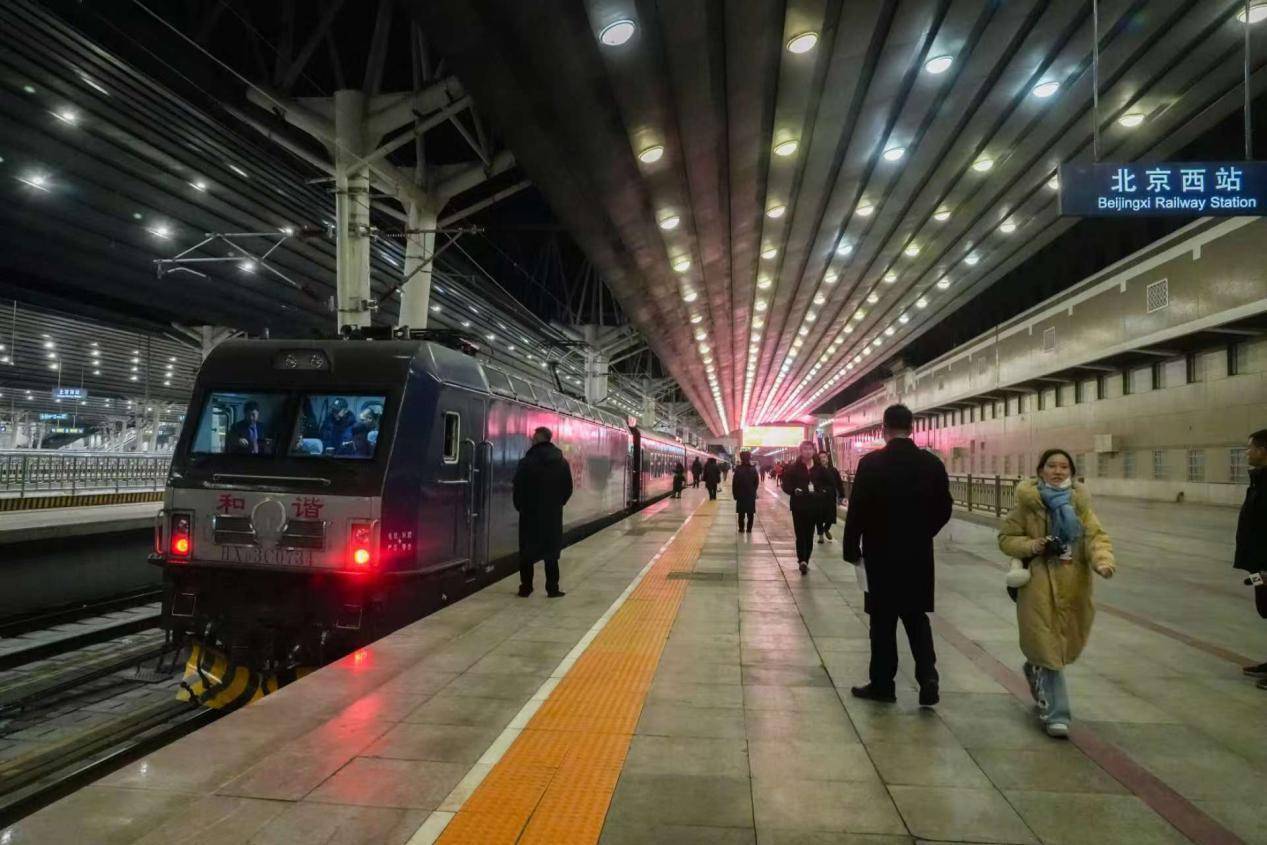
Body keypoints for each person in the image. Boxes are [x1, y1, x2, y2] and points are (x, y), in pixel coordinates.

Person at [998, 449, 1115, 737]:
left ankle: (1034, 668)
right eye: (1052, 466)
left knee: (1060, 646)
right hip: (1037, 587)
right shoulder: (1028, 505)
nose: (1058, 471)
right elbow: (1006, 539)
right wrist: (1034, 545)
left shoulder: (1080, 506)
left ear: (1071, 473)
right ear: (1041, 470)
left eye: (1064, 467)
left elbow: (1095, 537)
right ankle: (1056, 715)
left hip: (1072, 584)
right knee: (1046, 648)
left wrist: (1103, 561)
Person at [843, 404, 953, 707]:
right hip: (917, 554)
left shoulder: (871, 463)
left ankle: (883, 684)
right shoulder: (931, 464)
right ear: (911, 428)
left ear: (884, 429)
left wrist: (851, 548)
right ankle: (928, 676)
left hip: (880, 553)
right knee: (916, 617)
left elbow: (857, 510)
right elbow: (944, 508)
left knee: (882, 621)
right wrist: (924, 532)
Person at [512, 427, 574, 598]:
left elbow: (517, 487)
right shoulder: (561, 462)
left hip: (529, 515)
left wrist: (521, 507)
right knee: (551, 554)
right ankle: (552, 589)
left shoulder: (526, 462)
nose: (531, 440)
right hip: (552, 515)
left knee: (527, 553)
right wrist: (557, 504)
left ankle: (526, 588)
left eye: (533, 437)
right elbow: (568, 488)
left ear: (538, 438)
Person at [1235, 429, 1267, 688]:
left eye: (1251, 448)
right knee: (1265, 609)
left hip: (1266, 566)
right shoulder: (1259, 481)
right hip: (1257, 565)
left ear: (1263, 451)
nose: (1247, 452)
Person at [781, 441, 836, 575]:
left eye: (810, 449)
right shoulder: (794, 468)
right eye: (805, 449)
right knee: (800, 534)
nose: (808, 451)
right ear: (800, 451)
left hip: (814, 506)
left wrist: (821, 492)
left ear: (813, 451)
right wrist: (793, 491)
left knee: (809, 533)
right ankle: (802, 560)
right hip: (798, 506)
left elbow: (830, 485)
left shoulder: (820, 469)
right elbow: (785, 484)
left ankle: (806, 559)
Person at [816, 450, 845, 543]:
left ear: (827, 458)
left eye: (824, 457)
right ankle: (820, 536)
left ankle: (826, 529)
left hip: (831, 496)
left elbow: (839, 483)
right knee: (819, 517)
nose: (822, 459)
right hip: (820, 497)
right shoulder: (816, 470)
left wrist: (842, 495)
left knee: (831, 516)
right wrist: (820, 490)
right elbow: (815, 483)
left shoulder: (833, 470)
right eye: (820, 458)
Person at [732, 451, 759, 533]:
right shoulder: (753, 469)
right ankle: (749, 529)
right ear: (749, 458)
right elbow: (756, 482)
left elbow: (734, 483)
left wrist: (735, 494)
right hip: (750, 495)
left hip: (740, 495)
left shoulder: (738, 469)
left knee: (741, 513)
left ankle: (741, 529)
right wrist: (753, 490)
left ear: (741, 459)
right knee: (750, 514)